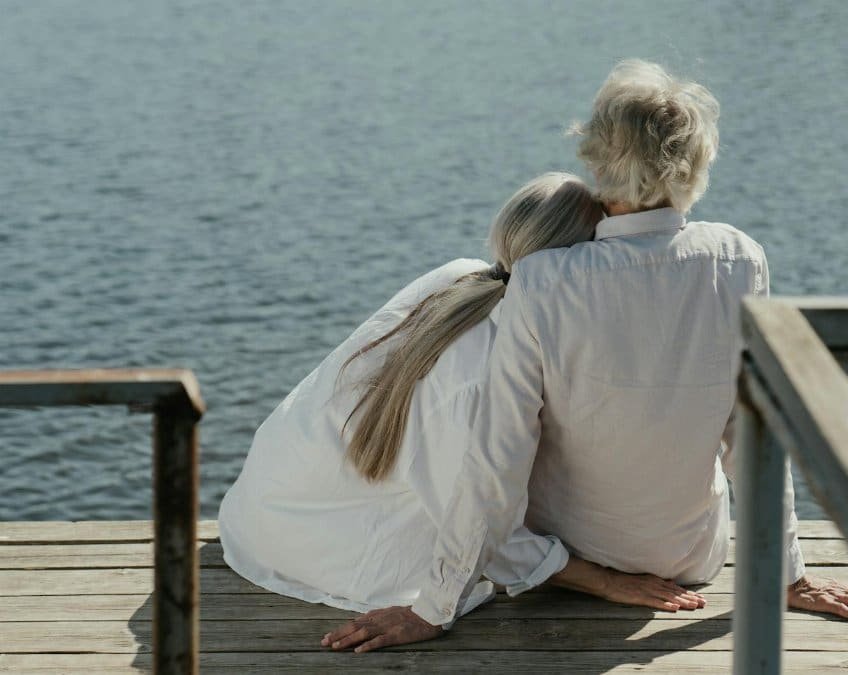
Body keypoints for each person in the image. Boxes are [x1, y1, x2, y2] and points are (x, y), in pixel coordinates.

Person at [323, 60, 848, 653]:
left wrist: (434, 608)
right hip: (689, 556)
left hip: (568, 552)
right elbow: (752, 431)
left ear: (596, 161)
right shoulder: (741, 260)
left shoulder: (544, 280)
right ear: (698, 163)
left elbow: (497, 460)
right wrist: (787, 573)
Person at [218, 172, 707, 625]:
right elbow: (488, 534)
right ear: (568, 265)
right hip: (318, 547)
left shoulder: (462, 277)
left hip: (267, 505)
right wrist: (606, 581)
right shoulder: (488, 368)